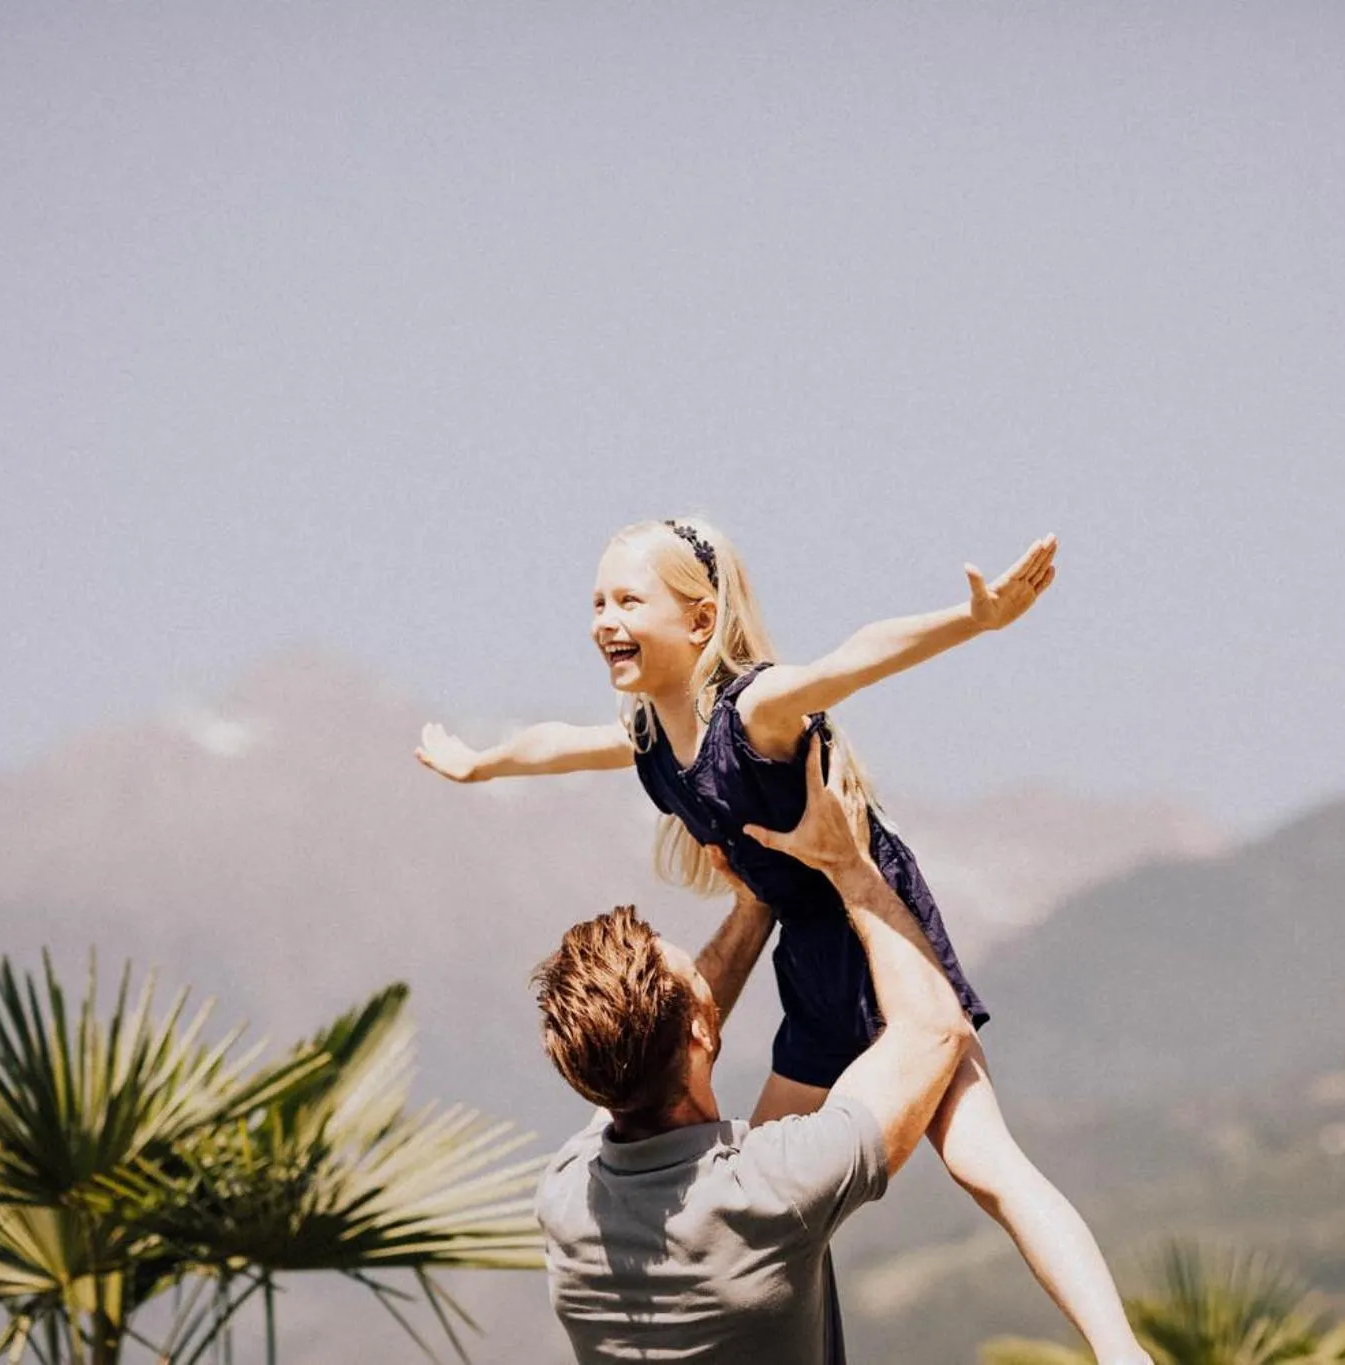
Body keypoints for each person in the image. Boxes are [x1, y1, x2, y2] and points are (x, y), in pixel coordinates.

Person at [423, 519, 1144, 1363]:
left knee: (985, 1162)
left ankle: (1121, 1351)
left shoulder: (750, 712)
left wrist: (970, 620)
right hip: (806, 950)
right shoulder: (653, 738)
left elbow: (850, 658)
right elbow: (558, 743)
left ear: (699, 622)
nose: (604, 619)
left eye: (628, 599)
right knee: (750, 1191)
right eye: (596, 601)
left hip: (877, 933)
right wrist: (483, 764)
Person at [531, 737, 972, 1363]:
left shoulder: (571, 1199)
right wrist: (849, 866)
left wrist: (755, 906)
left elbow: (649, 1042)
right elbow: (936, 1030)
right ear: (702, 1033)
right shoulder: (771, 1189)